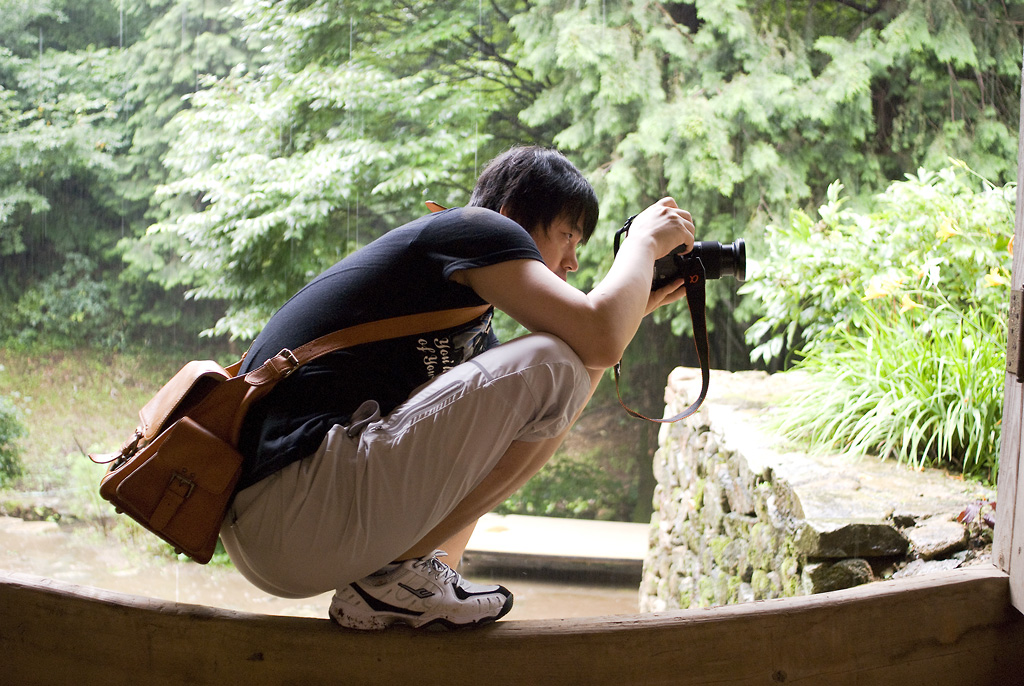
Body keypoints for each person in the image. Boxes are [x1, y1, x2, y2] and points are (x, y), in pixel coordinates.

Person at [219, 145, 695, 630]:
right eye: (568, 235)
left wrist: (628, 311)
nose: (572, 261)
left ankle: (408, 583)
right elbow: (596, 340)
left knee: (559, 368)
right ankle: (390, 580)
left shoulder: (472, 332)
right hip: (288, 496)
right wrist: (640, 244)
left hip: (285, 534)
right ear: (512, 216)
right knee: (552, 362)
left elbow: (590, 355)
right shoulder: (472, 228)